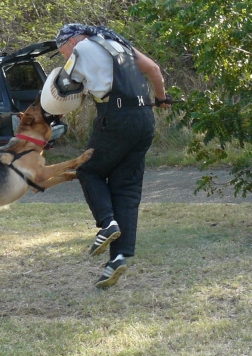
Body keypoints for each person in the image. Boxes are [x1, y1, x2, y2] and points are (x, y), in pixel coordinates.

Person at [42, 23, 172, 289]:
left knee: (89, 170)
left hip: (116, 117)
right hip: (144, 119)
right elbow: (154, 70)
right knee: (127, 187)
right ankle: (118, 259)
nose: (65, 55)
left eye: (62, 49)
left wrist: (46, 120)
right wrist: (161, 99)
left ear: (72, 40)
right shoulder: (120, 43)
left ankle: (107, 223)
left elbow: (63, 93)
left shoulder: (81, 50)